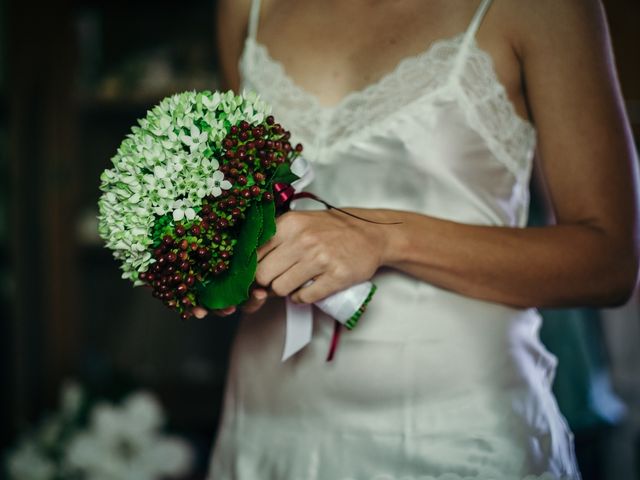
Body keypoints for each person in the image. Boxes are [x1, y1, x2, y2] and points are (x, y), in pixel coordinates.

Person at [201, 0, 639, 478]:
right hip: (267, 422)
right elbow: (248, 207)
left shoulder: (542, 10)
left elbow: (610, 263)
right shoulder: (248, 8)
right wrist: (217, 264)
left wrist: (384, 238)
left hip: (457, 434)